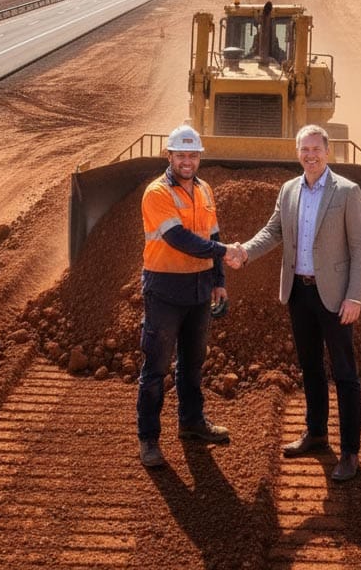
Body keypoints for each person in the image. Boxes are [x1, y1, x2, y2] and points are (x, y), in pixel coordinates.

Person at [227, 124, 361, 482]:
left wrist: (355, 296)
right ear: (297, 154)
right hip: (299, 292)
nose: (310, 155)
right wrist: (245, 251)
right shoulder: (289, 190)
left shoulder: (347, 192)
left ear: (327, 151)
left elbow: (360, 248)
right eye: (304, 150)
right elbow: (273, 231)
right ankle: (317, 432)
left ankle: (350, 452)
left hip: (335, 296)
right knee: (310, 367)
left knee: (345, 374)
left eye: (316, 149)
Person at [137, 124, 232, 468]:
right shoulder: (157, 193)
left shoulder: (205, 190)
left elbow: (212, 232)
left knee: (193, 362)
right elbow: (178, 238)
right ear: (170, 156)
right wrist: (224, 250)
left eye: (193, 155)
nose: (187, 161)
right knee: (156, 367)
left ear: (199, 158)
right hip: (164, 290)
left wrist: (219, 280)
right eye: (181, 155)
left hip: (199, 290)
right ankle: (149, 439)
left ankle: (191, 422)